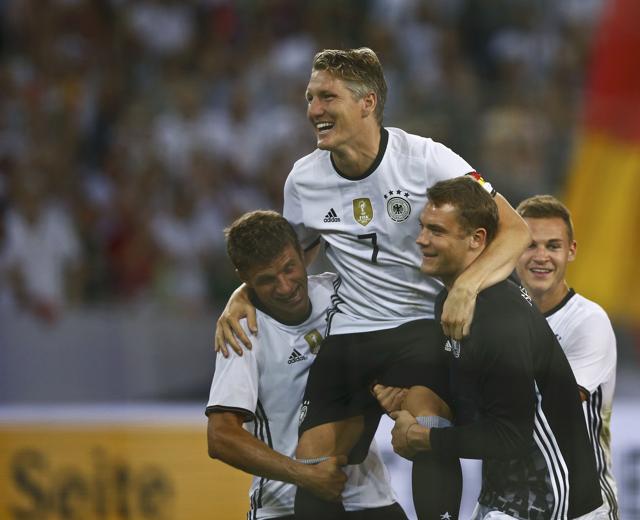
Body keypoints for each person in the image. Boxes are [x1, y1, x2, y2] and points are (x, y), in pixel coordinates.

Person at [215, 47, 531, 519]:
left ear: (366, 103)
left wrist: (466, 287)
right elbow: (285, 259)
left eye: (327, 97)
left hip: (421, 328)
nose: (314, 110)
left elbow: (516, 230)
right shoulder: (303, 179)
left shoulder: (427, 159)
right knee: (315, 461)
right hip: (351, 334)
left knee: (426, 427)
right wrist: (240, 295)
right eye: (309, 98)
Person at [380, 177, 602, 519]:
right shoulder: (452, 302)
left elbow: (511, 436)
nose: (421, 240)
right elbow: (478, 403)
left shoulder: (499, 317)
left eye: (437, 231)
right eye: (423, 227)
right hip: (505, 497)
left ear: (476, 239)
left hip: (552, 501)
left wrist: (426, 439)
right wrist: (406, 404)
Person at [206, 210, 407, 520]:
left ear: (304, 254)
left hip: (370, 498)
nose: (285, 287)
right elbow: (221, 437)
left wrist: (393, 389)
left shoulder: (342, 294)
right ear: (244, 279)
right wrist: (303, 474)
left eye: (289, 268)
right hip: (285, 506)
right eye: (267, 280)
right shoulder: (242, 332)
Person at [516, 195, 619, 519]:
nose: (541, 257)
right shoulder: (497, 317)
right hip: (512, 501)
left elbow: (554, 404)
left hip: (583, 507)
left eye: (553, 246)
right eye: (530, 245)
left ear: (571, 251)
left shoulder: (589, 321)